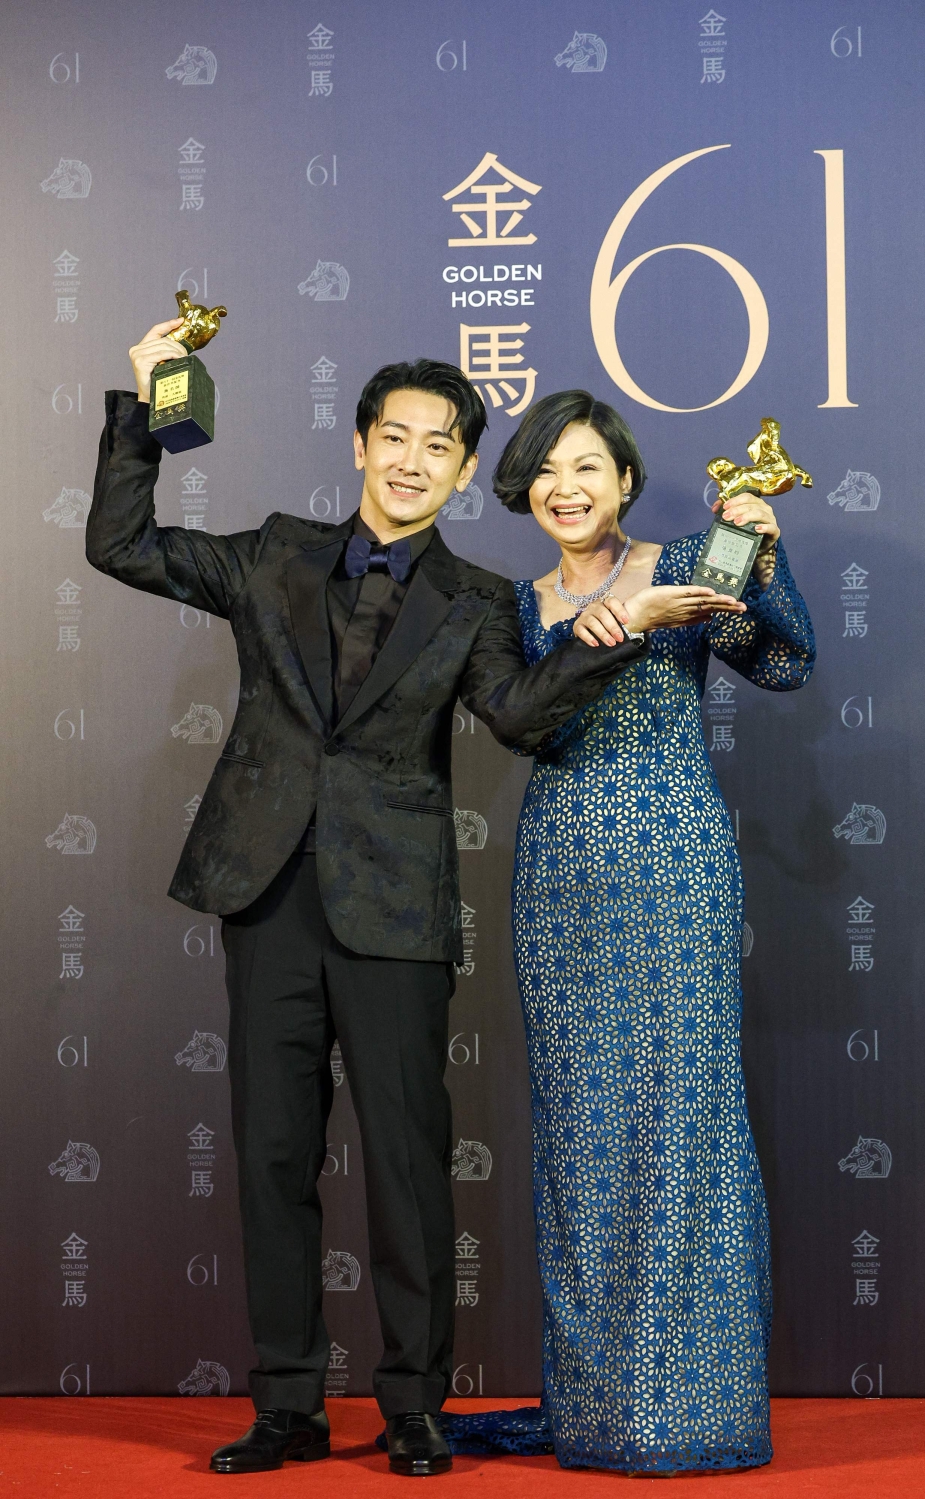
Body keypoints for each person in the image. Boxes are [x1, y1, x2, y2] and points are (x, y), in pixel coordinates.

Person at [86, 339, 696, 1476]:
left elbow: (516, 714)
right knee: (273, 1154)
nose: (414, 461)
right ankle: (286, 1403)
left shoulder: (474, 600)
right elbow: (120, 542)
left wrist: (609, 634)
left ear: (465, 473)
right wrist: (150, 399)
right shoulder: (274, 552)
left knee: (409, 1162)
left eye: (441, 446)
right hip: (262, 890)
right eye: (397, 437)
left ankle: (412, 1403)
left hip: (395, 910)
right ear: (360, 444)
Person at [440, 391, 815, 1474]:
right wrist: (611, 631)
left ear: (624, 478)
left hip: (674, 867)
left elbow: (781, 663)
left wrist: (763, 552)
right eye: (548, 469)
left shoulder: (689, 556)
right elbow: (524, 719)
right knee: (582, 1135)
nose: (568, 486)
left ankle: (688, 1406)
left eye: (590, 466)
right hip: (560, 876)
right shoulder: (511, 607)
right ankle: (600, 1404)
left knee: (680, 1119)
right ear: (522, 485)